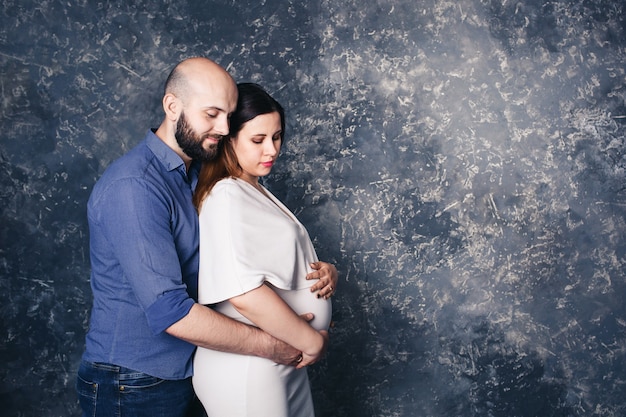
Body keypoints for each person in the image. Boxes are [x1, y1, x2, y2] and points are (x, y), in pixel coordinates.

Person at [76, 57, 338, 417]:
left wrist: (318, 278)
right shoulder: (134, 187)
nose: (223, 127)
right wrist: (275, 344)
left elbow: (242, 260)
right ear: (172, 106)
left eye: (229, 116)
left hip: (190, 367)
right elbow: (172, 312)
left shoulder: (202, 174)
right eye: (211, 114)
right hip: (133, 380)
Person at [191, 83, 333, 417]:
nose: (271, 149)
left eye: (277, 136)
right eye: (258, 140)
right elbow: (242, 291)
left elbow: (274, 263)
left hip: (278, 361)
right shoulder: (226, 196)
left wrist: (324, 273)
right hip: (248, 369)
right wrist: (311, 341)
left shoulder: (252, 189)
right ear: (228, 138)